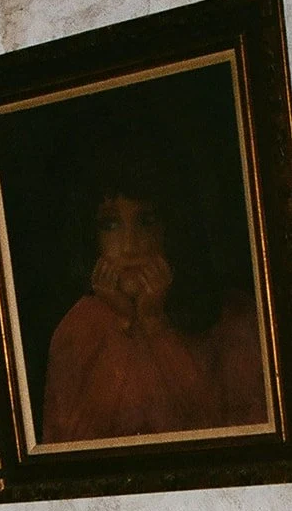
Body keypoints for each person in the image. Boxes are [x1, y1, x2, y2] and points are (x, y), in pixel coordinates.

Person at [41, 165, 267, 444]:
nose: (130, 246)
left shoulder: (233, 316)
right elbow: (66, 450)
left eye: (146, 221)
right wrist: (123, 322)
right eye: (111, 225)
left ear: (173, 225)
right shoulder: (75, 329)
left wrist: (154, 325)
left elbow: (231, 438)